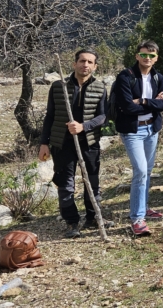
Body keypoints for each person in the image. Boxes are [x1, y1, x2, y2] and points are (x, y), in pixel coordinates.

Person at [39, 48, 111, 238]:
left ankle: (93, 216)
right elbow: (50, 116)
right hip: (62, 143)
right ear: (74, 64)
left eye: (89, 62)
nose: (85, 65)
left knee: (92, 182)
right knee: (66, 184)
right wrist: (44, 143)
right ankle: (72, 222)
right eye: (82, 61)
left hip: (89, 142)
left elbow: (103, 116)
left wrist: (84, 126)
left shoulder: (100, 88)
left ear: (95, 66)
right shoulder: (58, 86)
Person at [113, 40, 163, 237]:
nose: (148, 58)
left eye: (152, 55)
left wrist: (144, 101)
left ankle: (144, 208)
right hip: (133, 131)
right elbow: (127, 107)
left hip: (151, 130)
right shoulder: (125, 77)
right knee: (140, 171)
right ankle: (137, 219)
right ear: (137, 56)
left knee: (147, 170)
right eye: (144, 55)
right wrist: (154, 102)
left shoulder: (158, 78)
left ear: (156, 58)